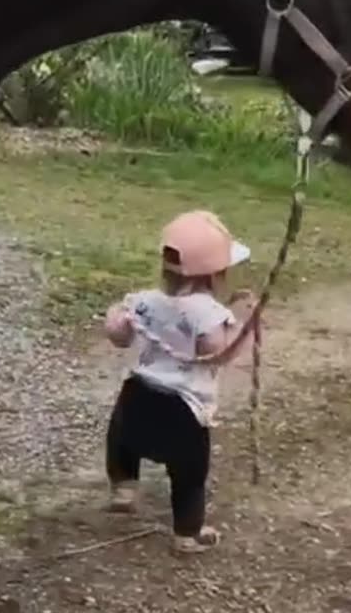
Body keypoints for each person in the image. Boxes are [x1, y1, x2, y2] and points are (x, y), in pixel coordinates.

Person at [102, 209, 255, 554]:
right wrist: (244, 326)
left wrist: (115, 318)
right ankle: (187, 532)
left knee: (122, 439)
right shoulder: (209, 313)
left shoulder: (144, 301)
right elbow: (216, 352)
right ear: (217, 274)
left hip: (138, 394)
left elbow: (118, 334)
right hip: (183, 408)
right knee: (189, 472)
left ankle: (124, 485)